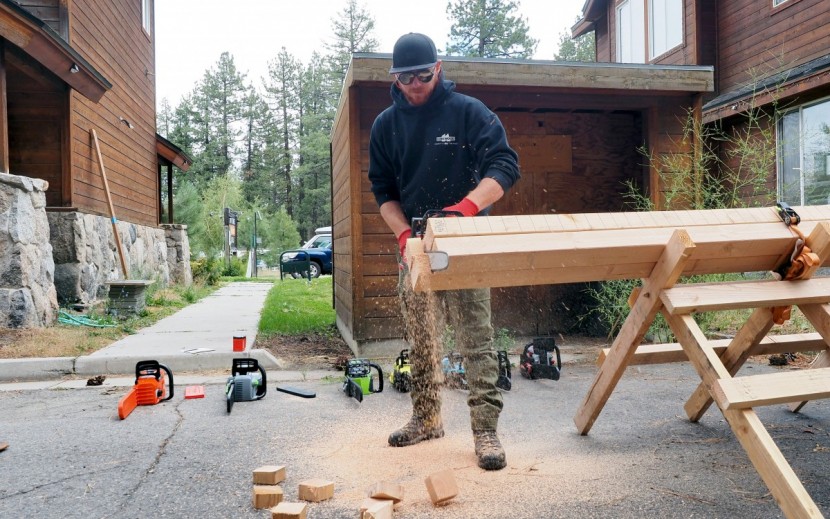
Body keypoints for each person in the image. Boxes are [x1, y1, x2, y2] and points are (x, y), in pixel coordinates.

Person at [368, 32, 520, 471]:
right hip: (416, 244)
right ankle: (427, 418)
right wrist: (402, 235)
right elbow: (383, 191)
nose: (414, 85)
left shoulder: (469, 112)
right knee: (420, 338)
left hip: (466, 241)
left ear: (437, 69)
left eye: (422, 75)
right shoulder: (385, 126)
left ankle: (485, 430)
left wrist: (466, 208)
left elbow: (505, 166)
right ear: (394, 78)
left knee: (476, 339)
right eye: (405, 78)